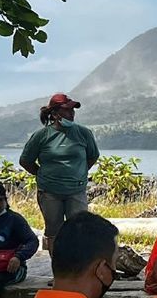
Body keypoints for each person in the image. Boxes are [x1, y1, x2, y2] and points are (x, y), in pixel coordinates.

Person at [19, 92, 101, 251]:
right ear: (55, 114)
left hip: (76, 191)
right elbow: (25, 161)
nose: (72, 113)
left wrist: (79, 173)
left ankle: (76, 269)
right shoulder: (42, 136)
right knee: (53, 231)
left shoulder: (83, 133)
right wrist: (42, 175)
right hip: (50, 192)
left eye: (73, 110)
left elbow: (92, 156)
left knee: (79, 230)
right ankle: (59, 269)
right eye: (67, 110)